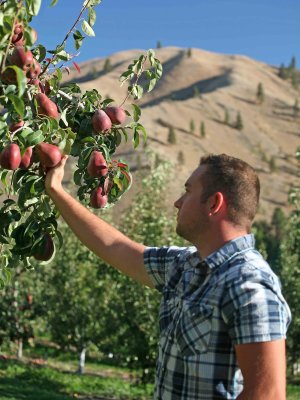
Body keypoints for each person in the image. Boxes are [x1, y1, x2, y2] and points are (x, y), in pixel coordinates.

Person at [45, 153, 291, 400]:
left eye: (187, 191)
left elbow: (267, 394)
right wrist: (56, 190)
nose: (178, 202)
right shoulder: (184, 267)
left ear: (214, 203)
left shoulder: (248, 285)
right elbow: (114, 246)